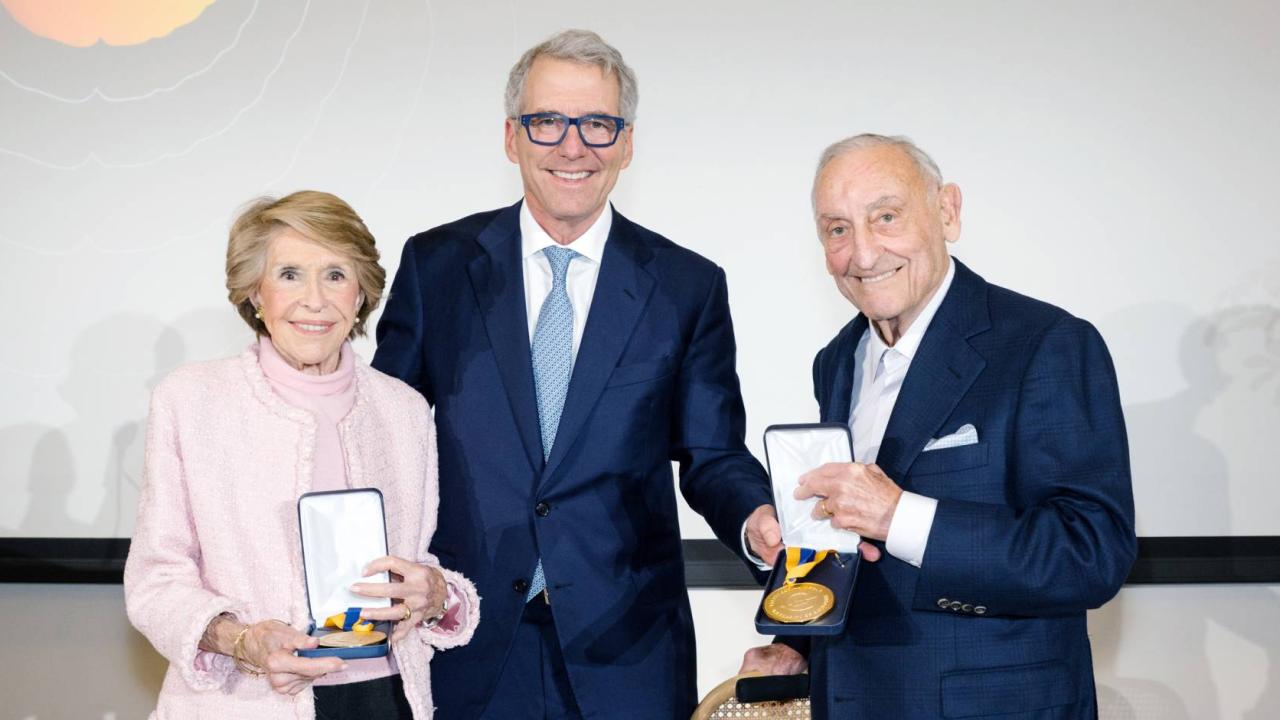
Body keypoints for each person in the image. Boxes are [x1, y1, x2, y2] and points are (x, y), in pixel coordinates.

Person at [373, 29, 778, 719]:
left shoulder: (687, 286)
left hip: (628, 653)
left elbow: (712, 454)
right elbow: (383, 436)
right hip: (460, 640)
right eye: (547, 122)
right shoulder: (436, 266)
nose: (572, 146)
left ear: (625, 142)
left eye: (597, 124)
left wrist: (757, 521)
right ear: (511, 137)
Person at [740, 135, 1137, 718]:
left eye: (887, 217)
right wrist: (797, 639)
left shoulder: (1046, 343)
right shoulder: (837, 360)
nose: (864, 253)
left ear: (947, 211)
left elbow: (1090, 552)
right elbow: (857, 548)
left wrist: (897, 514)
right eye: (837, 229)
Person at [124, 191, 479, 719]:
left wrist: (436, 595)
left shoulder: (404, 409)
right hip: (246, 702)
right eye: (289, 273)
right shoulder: (191, 399)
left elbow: (426, 561)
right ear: (254, 292)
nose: (315, 299)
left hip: (388, 698)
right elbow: (157, 580)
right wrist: (241, 640)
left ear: (361, 294)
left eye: (336, 274)